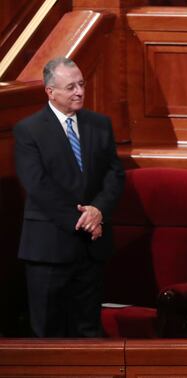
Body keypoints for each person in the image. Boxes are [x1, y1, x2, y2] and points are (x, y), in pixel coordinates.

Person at [14, 56, 125, 337]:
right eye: (70, 87)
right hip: (49, 248)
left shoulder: (99, 124)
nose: (79, 92)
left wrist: (98, 210)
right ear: (50, 91)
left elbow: (114, 175)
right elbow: (38, 186)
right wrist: (83, 221)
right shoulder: (29, 130)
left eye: (81, 84)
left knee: (88, 330)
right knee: (49, 333)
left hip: (91, 249)